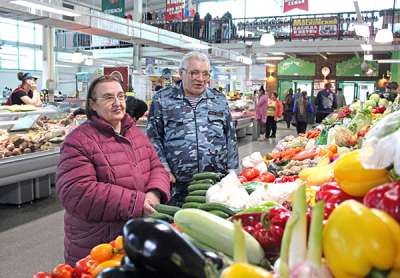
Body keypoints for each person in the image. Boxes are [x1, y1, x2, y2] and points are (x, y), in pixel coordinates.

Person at [56, 75, 170, 265]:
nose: (117, 103)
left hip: (133, 236)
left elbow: (156, 167)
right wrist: (138, 202)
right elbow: (77, 192)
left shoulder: (134, 133)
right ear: (92, 105)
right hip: (98, 243)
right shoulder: (78, 141)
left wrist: (155, 193)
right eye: (108, 97)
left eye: (121, 96)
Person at [147, 51, 239, 206]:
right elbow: (153, 138)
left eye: (205, 74)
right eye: (194, 73)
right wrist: (164, 169)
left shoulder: (219, 99)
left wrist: (233, 172)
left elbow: (230, 137)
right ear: (181, 73)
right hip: (177, 184)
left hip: (216, 183)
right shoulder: (163, 99)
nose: (201, 79)